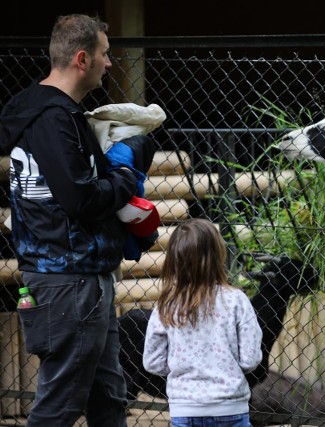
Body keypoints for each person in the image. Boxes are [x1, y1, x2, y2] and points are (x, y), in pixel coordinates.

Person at [0, 14, 156, 426]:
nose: (110, 63)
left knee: (108, 399)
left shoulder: (46, 113)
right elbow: (81, 198)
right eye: (105, 54)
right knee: (60, 406)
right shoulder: (53, 119)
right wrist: (124, 177)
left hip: (77, 275)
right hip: (69, 279)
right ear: (83, 58)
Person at [143, 218, 263, 427]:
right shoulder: (236, 300)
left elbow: (152, 361)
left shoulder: (166, 305)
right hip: (230, 407)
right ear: (218, 255)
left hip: (184, 408)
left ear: (173, 259)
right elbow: (250, 359)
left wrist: (181, 369)